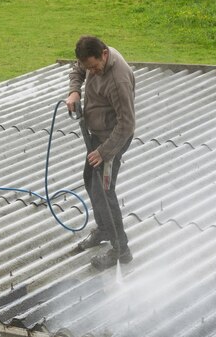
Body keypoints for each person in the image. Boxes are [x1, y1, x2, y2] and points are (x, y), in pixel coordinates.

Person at [66, 36, 135, 271]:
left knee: (105, 191)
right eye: (89, 68)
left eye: (94, 67)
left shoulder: (118, 79)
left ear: (104, 54)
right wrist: (75, 91)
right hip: (96, 135)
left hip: (112, 139)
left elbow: (127, 125)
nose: (92, 72)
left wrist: (105, 152)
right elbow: (77, 69)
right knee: (90, 180)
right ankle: (104, 229)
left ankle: (121, 249)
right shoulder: (92, 59)